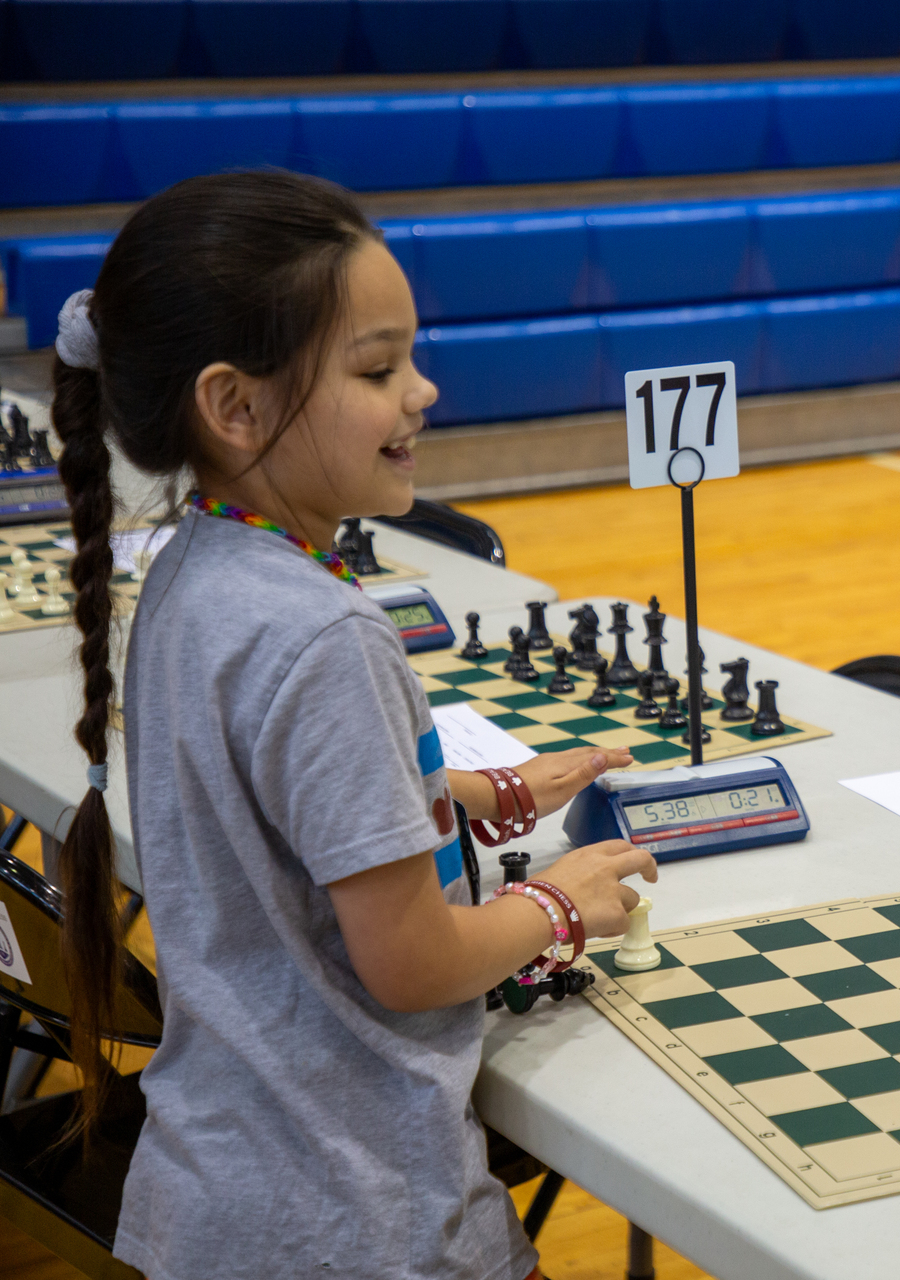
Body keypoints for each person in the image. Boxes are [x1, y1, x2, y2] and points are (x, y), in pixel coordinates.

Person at [50, 171, 653, 1280]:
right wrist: (555, 903)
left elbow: (275, 806)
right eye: (377, 368)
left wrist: (481, 794)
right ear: (232, 406)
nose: (422, 390)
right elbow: (413, 961)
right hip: (360, 1218)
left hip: (216, 1196)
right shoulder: (327, 637)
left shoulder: (194, 569)